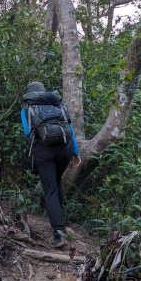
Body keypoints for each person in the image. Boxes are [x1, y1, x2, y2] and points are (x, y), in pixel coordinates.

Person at [21, 81, 81, 248]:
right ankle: (62, 224)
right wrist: (75, 153)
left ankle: (58, 234)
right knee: (57, 184)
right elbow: (71, 129)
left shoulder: (27, 109)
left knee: (50, 190)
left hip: (44, 152)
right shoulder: (59, 104)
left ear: (30, 94)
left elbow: (27, 133)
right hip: (65, 150)